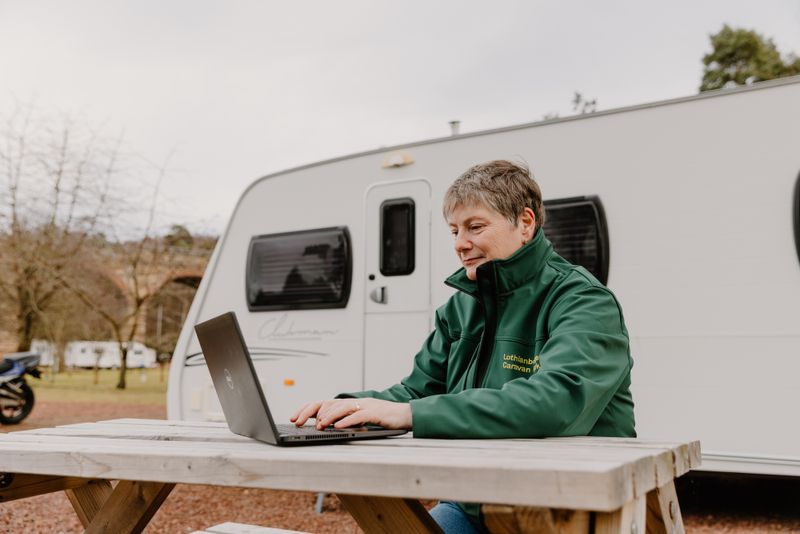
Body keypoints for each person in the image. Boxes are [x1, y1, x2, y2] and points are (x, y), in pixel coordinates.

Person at [292, 160, 635, 533]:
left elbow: (556, 401)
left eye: (475, 227)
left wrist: (411, 413)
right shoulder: (460, 307)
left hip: (568, 508)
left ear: (525, 223)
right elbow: (415, 391)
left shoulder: (582, 299)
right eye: (454, 230)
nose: (460, 244)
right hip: (473, 502)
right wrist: (345, 408)